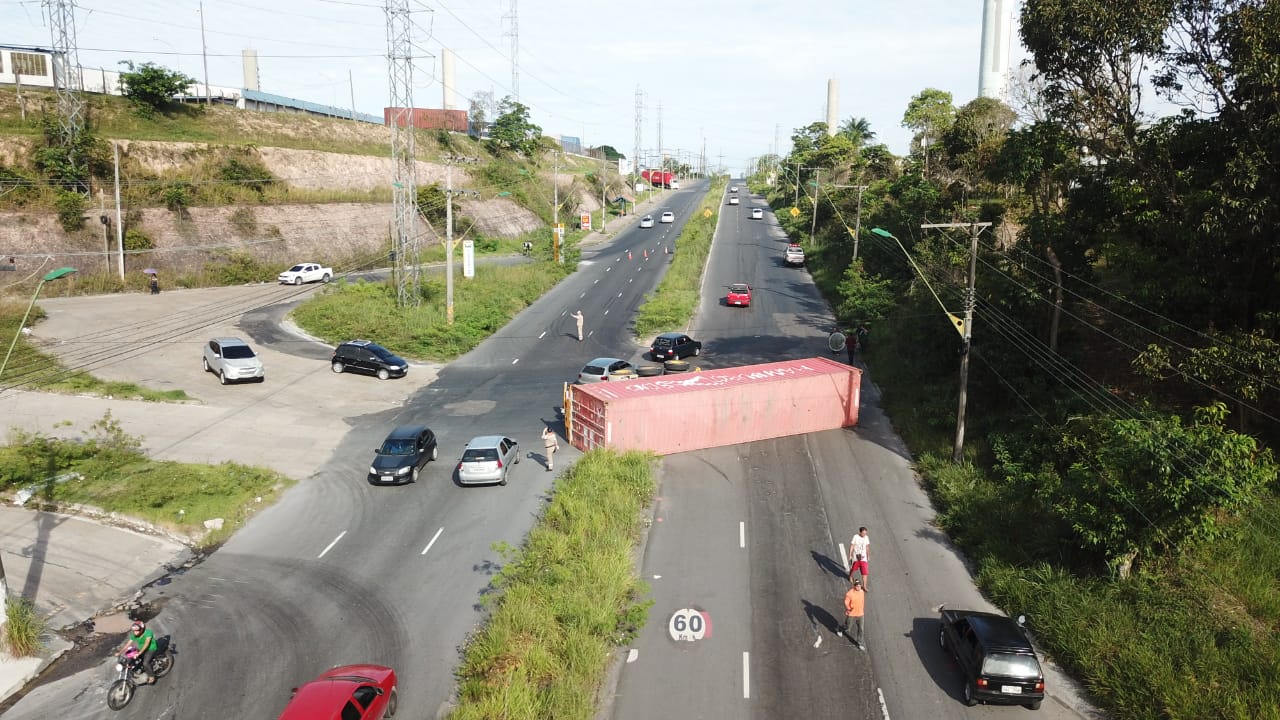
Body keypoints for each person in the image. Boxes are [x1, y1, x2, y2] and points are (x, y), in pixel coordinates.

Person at [837, 577, 866, 649]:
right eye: (857, 585)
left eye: (859, 585)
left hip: (860, 614)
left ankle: (860, 642)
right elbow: (846, 602)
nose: (858, 587)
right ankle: (840, 629)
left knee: (861, 628)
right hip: (852, 614)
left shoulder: (862, 592)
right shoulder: (849, 594)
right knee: (847, 628)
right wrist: (849, 608)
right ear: (854, 585)